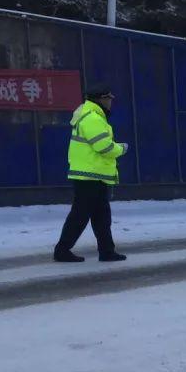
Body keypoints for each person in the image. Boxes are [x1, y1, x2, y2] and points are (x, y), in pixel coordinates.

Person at [54, 84, 129, 263]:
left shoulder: (93, 116)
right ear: (100, 99)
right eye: (108, 99)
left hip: (94, 175)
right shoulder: (93, 118)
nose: (111, 102)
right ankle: (62, 250)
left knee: (101, 215)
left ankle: (106, 251)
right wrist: (121, 148)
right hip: (89, 176)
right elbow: (104, 147)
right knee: (80, 215)